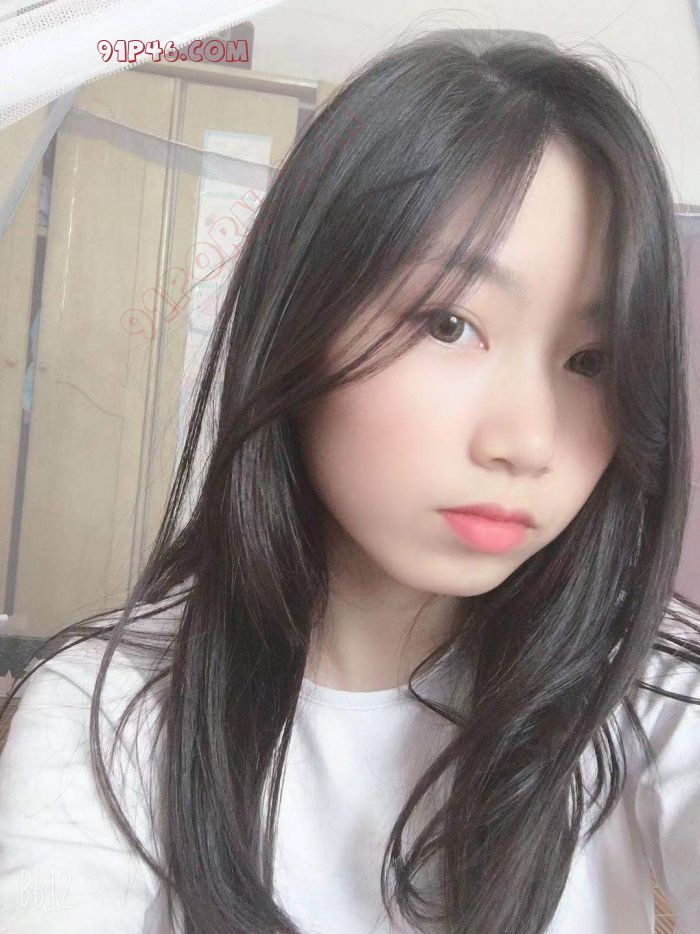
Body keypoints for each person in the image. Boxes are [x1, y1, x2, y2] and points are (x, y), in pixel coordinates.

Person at [0, 27, 699, 934]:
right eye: (448, 324)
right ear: (301, 320)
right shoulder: (107, 714)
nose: (529, 442)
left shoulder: (648, 691)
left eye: (591, 361)